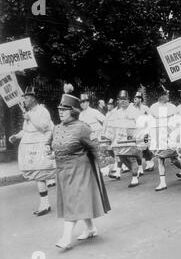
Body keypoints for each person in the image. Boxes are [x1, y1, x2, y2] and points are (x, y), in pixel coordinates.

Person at [50, 94, 110, 249]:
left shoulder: (82, 127)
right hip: (63, 171)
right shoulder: (56, 128)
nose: (60, 112)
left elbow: (95, 146)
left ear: (73, 111)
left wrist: (104, 165)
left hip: (80, 170)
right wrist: (49, 152)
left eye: (64, 109)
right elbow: (52, 144)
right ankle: (91, 228)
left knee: (73, 203)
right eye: (59, 109)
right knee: (75, 201)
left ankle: (66, 237)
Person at [9, 86, 56, 216]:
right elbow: (26, 130)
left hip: (41, 145)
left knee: (43, 173)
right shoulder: (28, 113)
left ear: (33, 98)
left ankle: (57, 200)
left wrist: (30, 117)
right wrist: (16, 136)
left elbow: (43, 127)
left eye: (27, 98)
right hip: (30, 148)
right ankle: (44, 203)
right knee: (38, 176)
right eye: (24, 98)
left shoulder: (42, 111)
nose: (24, 101)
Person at [149, 85, 181, 191]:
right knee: (160, 159)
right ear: (161, 96)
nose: (168, 95)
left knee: (174, 159)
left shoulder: (172, 107)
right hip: (159, 137)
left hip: (171, 136)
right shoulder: (153, 107)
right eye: (166, 93)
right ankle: (162, 183)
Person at [109, 90, 141, 187]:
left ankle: (135, 178)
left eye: (125, 99)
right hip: (120, 138)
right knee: (121, 157)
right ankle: (135, 171)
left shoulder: (134, 110)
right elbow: (114, 126)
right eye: (120, 99)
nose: (122, 101)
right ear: (118, 101)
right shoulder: (117, 112)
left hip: (131, 135)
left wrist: (139, 136)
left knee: (131, 157)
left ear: (128, 100)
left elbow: (140, 123)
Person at [127, 90, 155, 173]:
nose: (135, 100)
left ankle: (150, 163)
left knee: (145, 147)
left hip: (145, 130)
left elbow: (150, 118)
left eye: (137, 98)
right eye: (135, 98)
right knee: (138, 148)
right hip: (136, 131)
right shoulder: (131, 109)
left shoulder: (145, 108)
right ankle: (141, 167)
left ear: (141, 99)